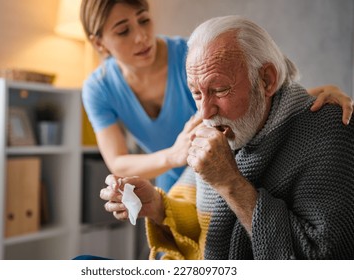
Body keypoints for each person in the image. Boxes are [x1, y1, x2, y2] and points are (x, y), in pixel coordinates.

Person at [100, 15, 354, 259]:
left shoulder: (328, 131)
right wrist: (156, 206)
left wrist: (230, 183)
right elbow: (199, 215)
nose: (205, 112)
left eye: (219, 90)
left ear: (266, 80)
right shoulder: (220, 126)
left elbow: (324, 258)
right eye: (196, 93)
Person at [81, 0, 353, 192]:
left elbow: (260, 94)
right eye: (124, 30)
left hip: (222, 176)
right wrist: (174, 156)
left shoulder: (190, 56)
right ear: (98, 42)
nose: (141, 37)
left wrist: (319, 93)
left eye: (144, 20)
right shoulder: (98, 88)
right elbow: (117, 162)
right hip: (171, 185)